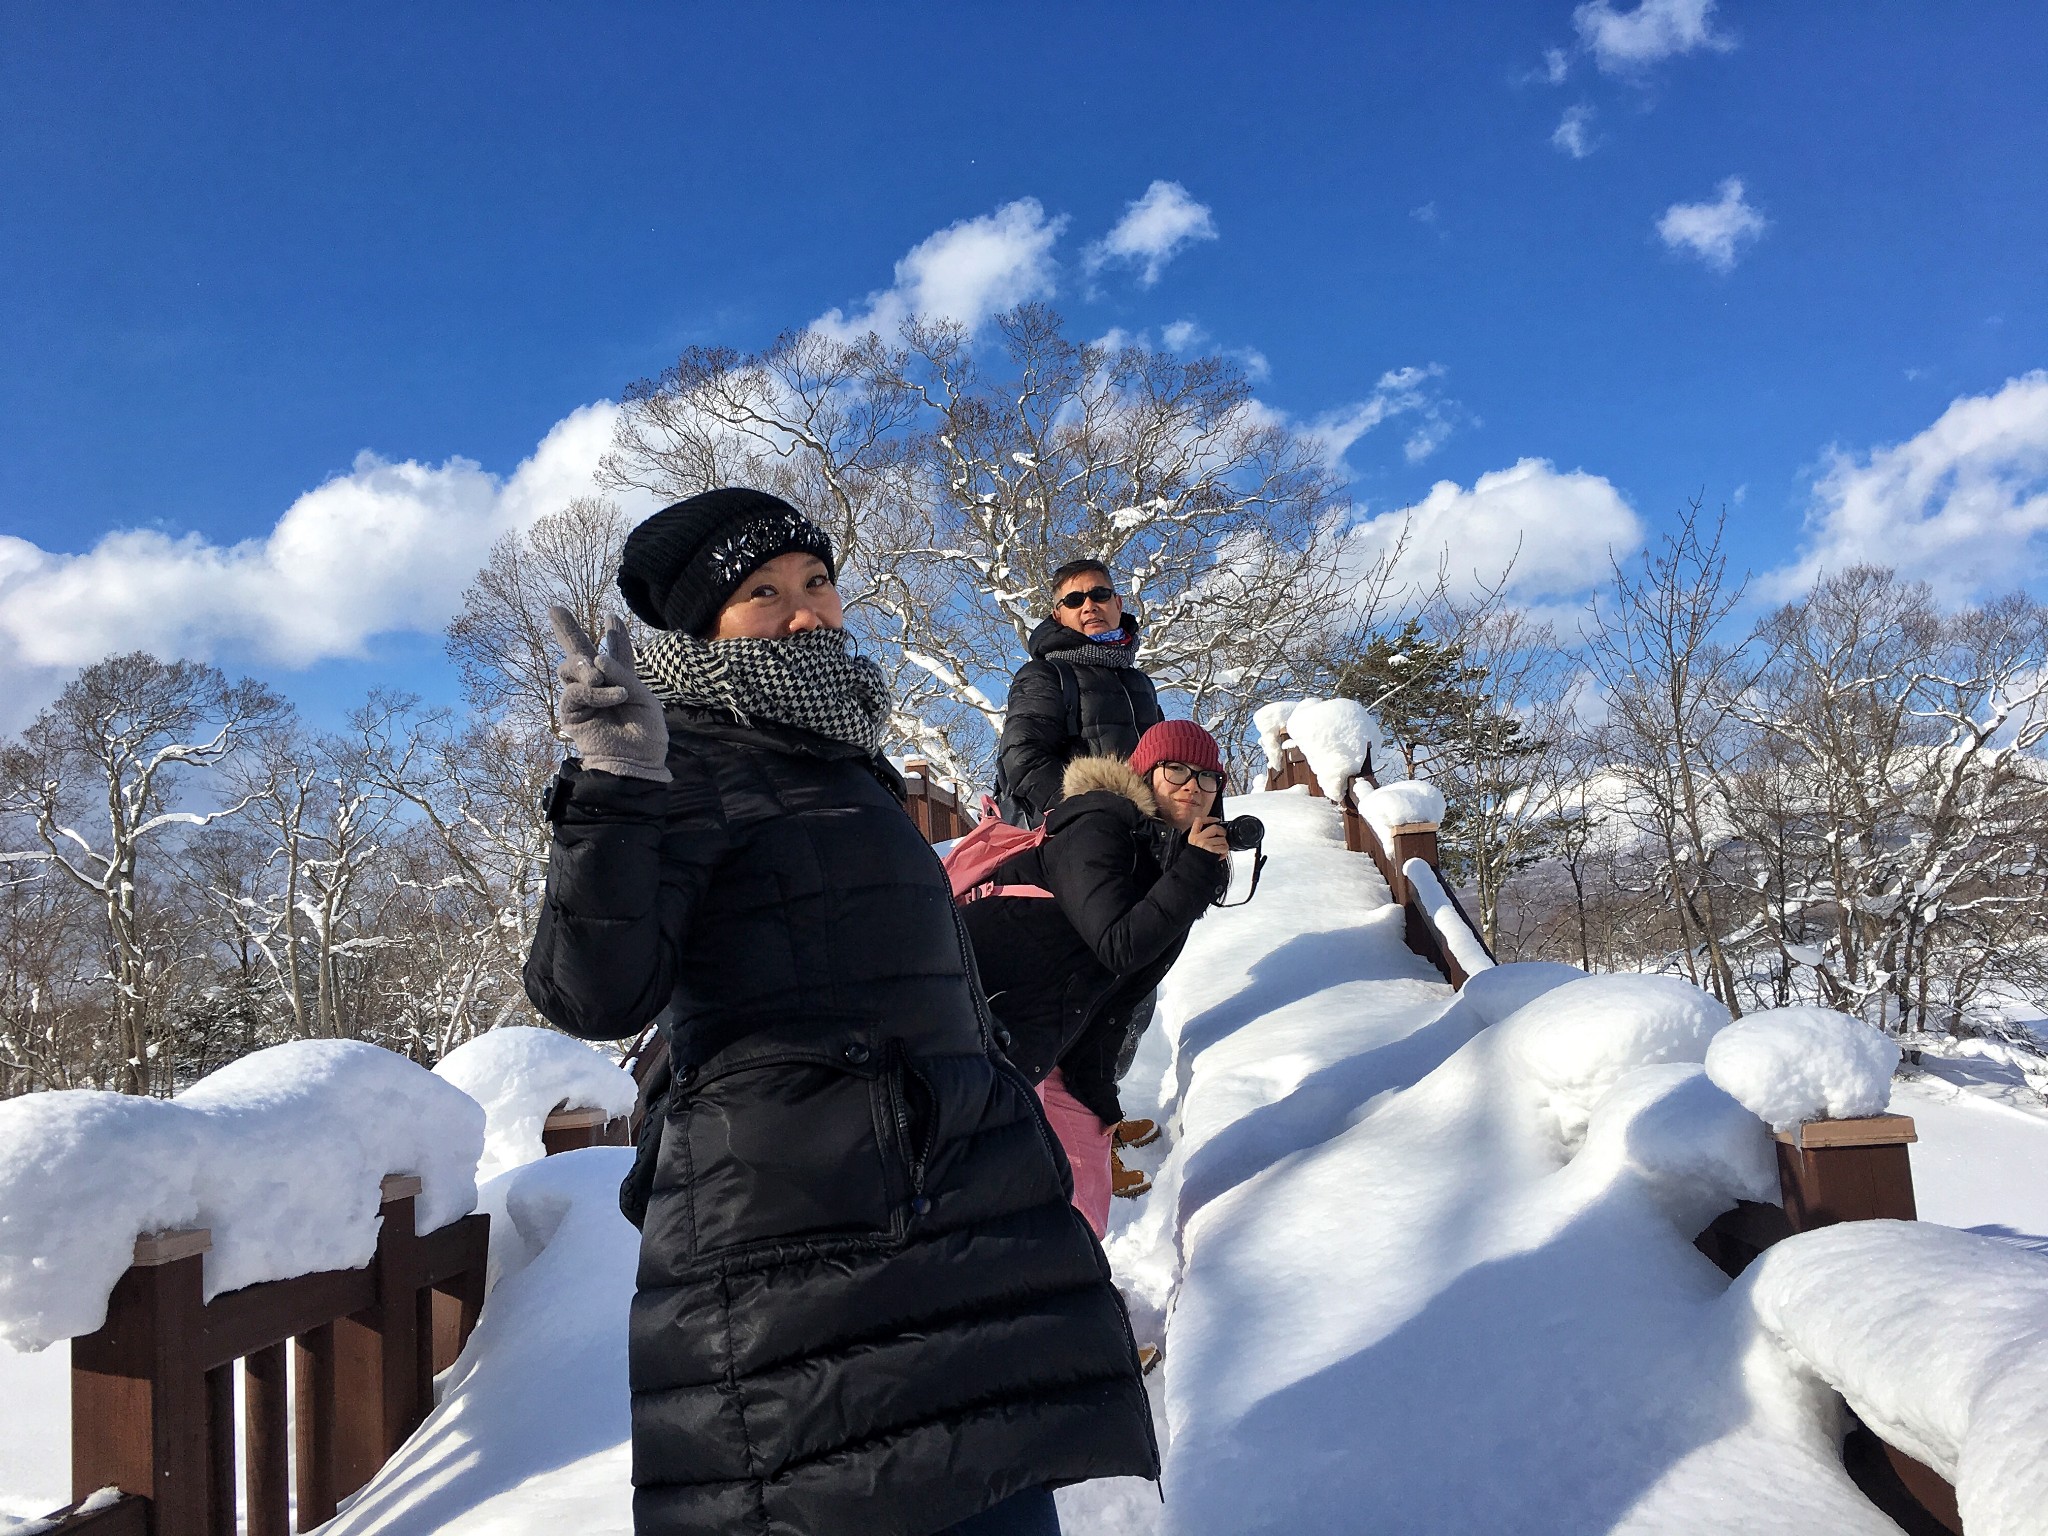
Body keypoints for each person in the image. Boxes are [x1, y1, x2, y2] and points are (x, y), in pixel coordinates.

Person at [522, 487, 1156, 1536]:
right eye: (763, 594)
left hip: (940, 1220)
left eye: (816, 581)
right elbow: (593, 991)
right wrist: (613, 785)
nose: (806, 609)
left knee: (993, 1491)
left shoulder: (838, 758)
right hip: (801, 1250)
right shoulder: (680, 758)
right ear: (701, 627)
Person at [962, 720, 1232, 1238]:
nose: (1192, 787)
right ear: (1145, 773)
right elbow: (1119, 943)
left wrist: (1096, 1091)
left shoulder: (1166, 861)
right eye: (1175, 769)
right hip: (991, 1027)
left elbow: (1115, 994)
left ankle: (1077, 1294)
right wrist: (1195, 868)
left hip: (1053, 1039)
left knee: (1086, 1206)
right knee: (1011, 1215)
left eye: (1207, 777)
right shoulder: (1098, 826)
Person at [994, 560, 1163, 829]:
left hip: (1149, 835)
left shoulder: (1140, 682)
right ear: (1058, 615)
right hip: (1081, 839)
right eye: (1073, 600)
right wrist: (1086, 815)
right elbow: (1023, 757)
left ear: (1117, 604)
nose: (1089, 606)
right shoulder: (1045, 674)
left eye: (1100, 594)